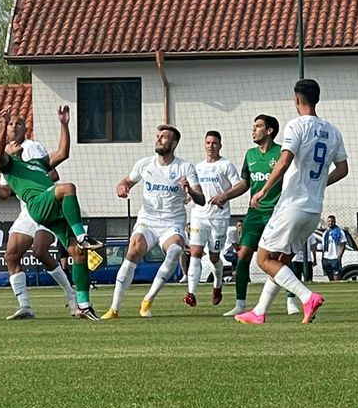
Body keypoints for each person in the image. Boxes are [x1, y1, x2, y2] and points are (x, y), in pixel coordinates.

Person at [235, 79, 349, 325]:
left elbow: (284, 161)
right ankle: (259, 311)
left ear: (297, 99)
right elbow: (343, 169)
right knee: (282, 261)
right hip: (313, 209)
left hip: (291, 206)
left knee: (263, 259)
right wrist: (318, 185)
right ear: (317, 99)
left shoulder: (296, 125)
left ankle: (307, 297)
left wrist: (263, 191)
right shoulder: (333, 131)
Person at [0, 104, 103, 320]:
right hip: (37, 206)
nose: (14, 128)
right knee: (67, 188)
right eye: (11, 125)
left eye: (17, 123)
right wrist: (3, 126)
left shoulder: (36, 160)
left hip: (54, 209)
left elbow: (62, 153)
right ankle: (82, 236)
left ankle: (83, 304)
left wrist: (64, 125)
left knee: (78, 255)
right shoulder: (9, 165)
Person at [104, 125, 205, 319]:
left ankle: (148, 300)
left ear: (174, 143)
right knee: (134, 248)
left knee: (175, 249)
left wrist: (190, 191)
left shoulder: (185, 167)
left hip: (172, 222)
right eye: (158, 136)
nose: (159, 140)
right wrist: (122, 187)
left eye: (164, 137)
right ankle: (114, 308)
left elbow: (201, 198)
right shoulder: (144, 164)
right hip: (148, 220)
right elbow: (126, 181)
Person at [208, 115, 281, 317]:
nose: (253, 130)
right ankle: (240, 304)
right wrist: (225, 195)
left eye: (258, 127)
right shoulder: (250, 155)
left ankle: (291, 300)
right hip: (255, 214)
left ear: (270, 131)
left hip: (276, 213)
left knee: (277, 257)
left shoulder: (281, 153)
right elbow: (244, 183)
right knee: (242, 256)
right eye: (253, 127)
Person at [186, 130, 241, 307]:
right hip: (199, 216)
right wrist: (187, 191)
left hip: (219, 218)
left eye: (214, 143)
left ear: (220, 145)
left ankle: (217, 285)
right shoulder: (198, 167)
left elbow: (239, 185)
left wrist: (223, 196)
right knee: (195, 252)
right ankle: (191, 293)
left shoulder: (226, 165)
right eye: (208, 143)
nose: (211, 146)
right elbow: (195, 192)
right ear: (204, 145)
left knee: (214, 258)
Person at [320, 215, 345, 281]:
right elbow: (323, 246)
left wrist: (339, 256)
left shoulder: (340, 232)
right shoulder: (325, 233)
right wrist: (322, 257)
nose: (330, 223)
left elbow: (343, 244)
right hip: (326, 257)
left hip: (335, 257)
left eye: (332, 221)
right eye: (329, 221)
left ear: (335, 222)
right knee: (330, 277)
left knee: (336, 276)